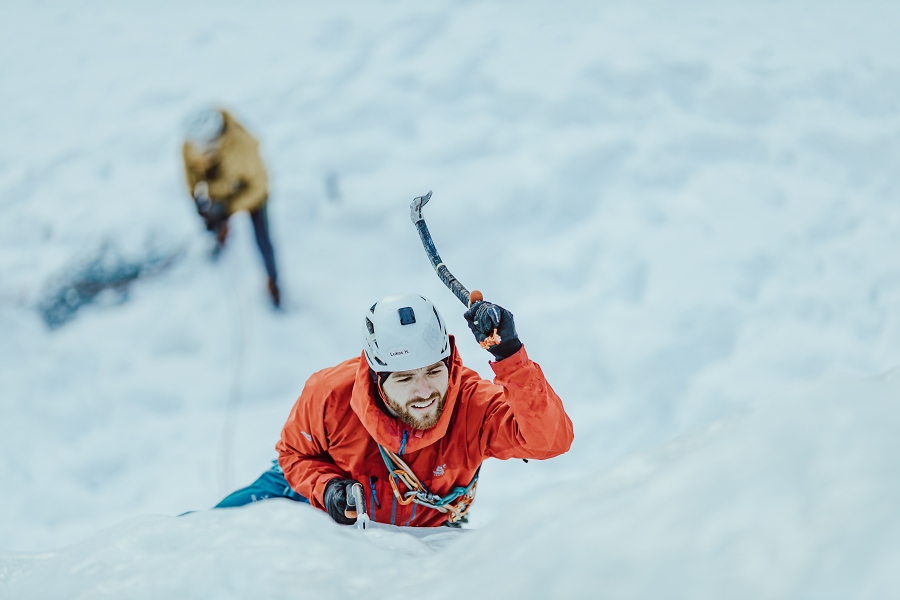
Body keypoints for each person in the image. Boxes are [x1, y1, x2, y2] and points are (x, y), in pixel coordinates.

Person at [215, 294, 574, 527]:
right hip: (303, 490)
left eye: (434, 372)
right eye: (404, 379)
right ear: (376, 376)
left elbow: (549, 440)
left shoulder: (470, 404)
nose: (424, 393)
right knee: (206, 531)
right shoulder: (330, 395)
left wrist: (509, 354)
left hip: (423, 528)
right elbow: (293, 454)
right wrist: (327, 489)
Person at [182, 107, 281, 307]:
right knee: (212, 223)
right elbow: (190, 173)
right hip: (218, 192)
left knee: (262, 241)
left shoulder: (244, 146)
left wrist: (229, 209)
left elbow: (260, 186)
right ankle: (220, 239)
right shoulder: (190, 144)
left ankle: (273, 282)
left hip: (251, 195)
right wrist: (195, 199)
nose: (201, 153)